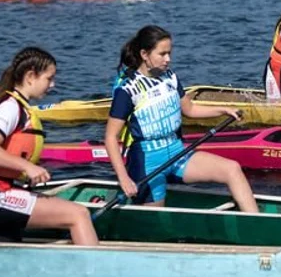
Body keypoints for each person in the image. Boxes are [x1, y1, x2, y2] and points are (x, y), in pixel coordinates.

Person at [104, 25, 258, 211]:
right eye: (162, 54)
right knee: (154, 221)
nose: (168, 59)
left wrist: (223, 110)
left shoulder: (171, 78)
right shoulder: (127, 90)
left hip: (178, 154)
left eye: (169, 53)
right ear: (144, 54)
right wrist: (124, 179)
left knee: (232, 169)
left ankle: (257, 222)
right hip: (148, 163)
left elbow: (190, 109)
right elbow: (111, 138)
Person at [0, 47, 98, 245]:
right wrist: (28, 167)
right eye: (49, 78)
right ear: (31, 76)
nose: (52, 85)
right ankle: (95, 272)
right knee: (78, 214)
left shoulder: (20, 107)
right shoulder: (10, 108)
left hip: (2, 192)